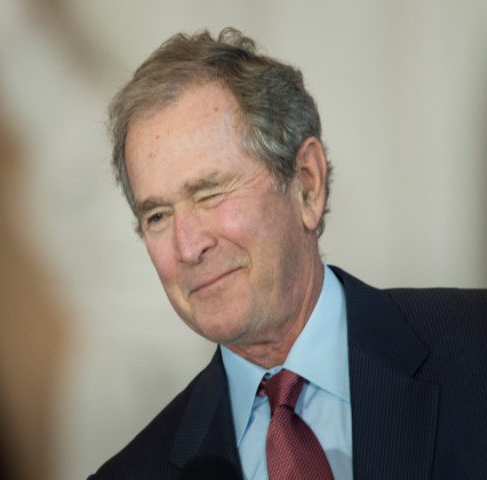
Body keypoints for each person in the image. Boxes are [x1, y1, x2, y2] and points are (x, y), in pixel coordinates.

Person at [89, 27, 487, 480]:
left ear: (306, 184)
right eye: (157, 215)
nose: (188, 246)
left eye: (211, 193)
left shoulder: (476, 348)